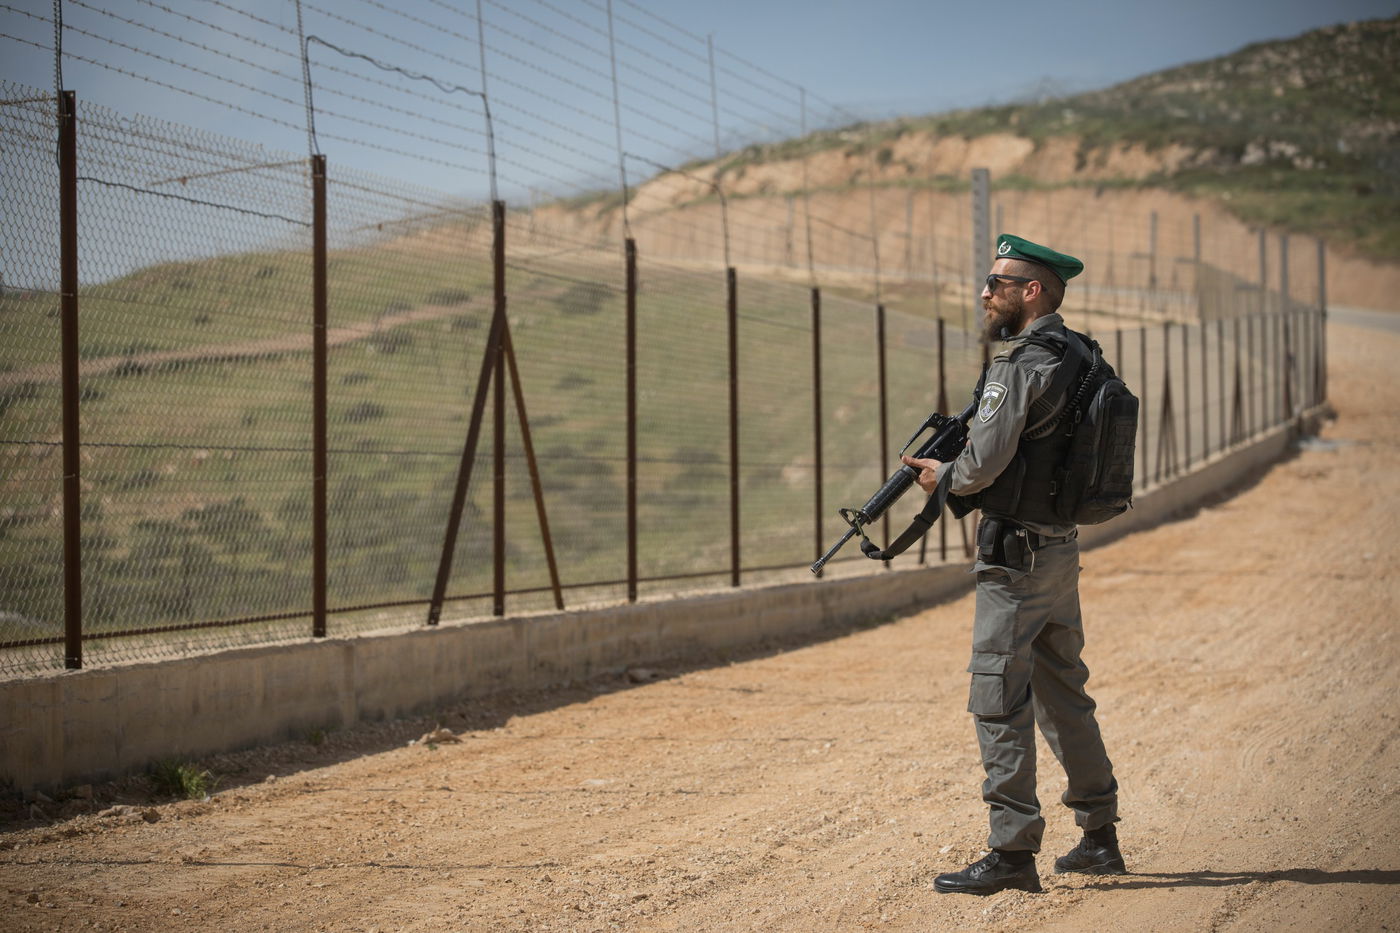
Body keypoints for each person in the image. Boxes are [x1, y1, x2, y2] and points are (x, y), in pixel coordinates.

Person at [901, 234, 1125, 896]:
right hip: (1058, 549)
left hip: (1014, 559)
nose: (984, 291)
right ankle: (1099, 836)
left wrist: (943, 473)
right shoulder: (1082, 353)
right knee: (1064, 694)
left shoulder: (1021, 363)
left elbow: (980, 469)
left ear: (1033, 291)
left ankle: (1011, 851)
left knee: (997, 697)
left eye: (997, 282)